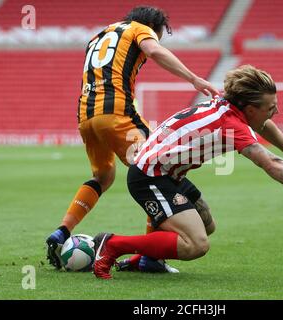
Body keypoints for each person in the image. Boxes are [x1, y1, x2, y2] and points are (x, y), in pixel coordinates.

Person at [92, 65, 283, 280]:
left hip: (169, 173)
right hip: (150, 177)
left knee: (207, 223)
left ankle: (146, 261)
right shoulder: (231, 123)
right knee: (196, 244)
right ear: (250, 110)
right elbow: (270, 163)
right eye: (271, 107)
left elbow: (265, 124)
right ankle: (113, 245)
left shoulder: (228, 105)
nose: (276, 111)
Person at [46, 6, 220, 272]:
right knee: (155, 171)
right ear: (154, 27)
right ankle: (151, 258)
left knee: (103, 177)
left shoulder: (98, 36)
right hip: (116, 113)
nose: (156, 39)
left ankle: (62, 231)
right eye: (158, 35)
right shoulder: (139, 28)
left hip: (87, 116)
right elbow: (154, 51)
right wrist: (194, 79)